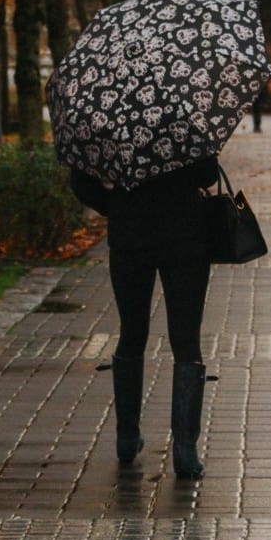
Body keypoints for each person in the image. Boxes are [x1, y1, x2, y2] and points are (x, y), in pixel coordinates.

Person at [70, 157, 218, 479]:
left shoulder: (110, 120)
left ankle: (126, 438)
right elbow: (208, 174)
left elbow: (81, 182)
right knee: (186, 338)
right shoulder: (184, 115)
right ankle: (185, 450)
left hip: (129, 236)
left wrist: (118, 204)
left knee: (132, 331)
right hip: (185, 235)